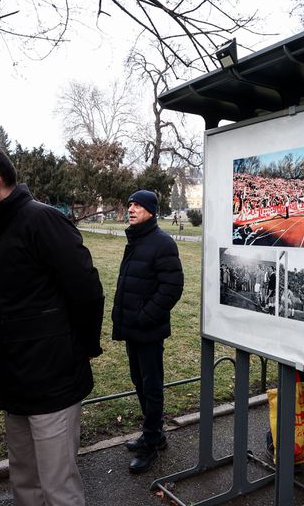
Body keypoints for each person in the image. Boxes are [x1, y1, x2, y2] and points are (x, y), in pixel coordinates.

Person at [0, 147, 105, 505]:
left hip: (53, 383)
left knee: (57, 488)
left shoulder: (43, 220)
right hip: (16, 383)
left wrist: (78, 352)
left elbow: (87, 293)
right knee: (24, 481)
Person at [112, 190, 184, 473]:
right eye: (129, 203)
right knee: (139, 381)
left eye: (138, 205)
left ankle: (152, 442)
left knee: (151, 385)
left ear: (151, 211)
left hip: (148, 329)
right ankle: (155, 433)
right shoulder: (136, 238)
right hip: (132, 326)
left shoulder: (162, 242)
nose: (131, 208)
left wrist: (145, 316)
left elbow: (172, 287)